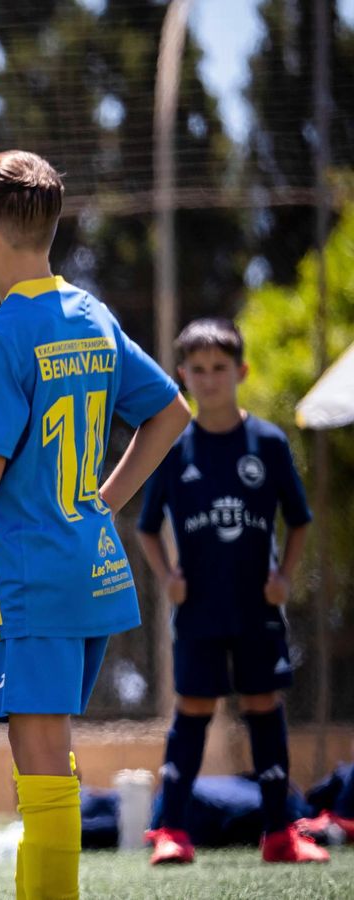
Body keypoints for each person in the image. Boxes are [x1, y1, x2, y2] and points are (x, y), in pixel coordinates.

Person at [0, 150, 190, 899]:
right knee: (48, 765)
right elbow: (169, 413)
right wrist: (105, 501)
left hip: (32, 577)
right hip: (93, 568)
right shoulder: (92, 315)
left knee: (41, 769)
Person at [137, 317, 326, 865]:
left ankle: (279, 834)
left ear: (240, 372)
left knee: (263, 704)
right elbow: (146, 527)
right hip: (197, 608)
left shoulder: (266, 443)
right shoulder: (174, 447)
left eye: (220, 368)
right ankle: (170, 831)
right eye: (198, 369)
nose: (210, 378)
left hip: (256, 607)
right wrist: (168, 576)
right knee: (193, 707)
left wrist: (284, 577)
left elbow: (299, 518)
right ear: (182, 375)